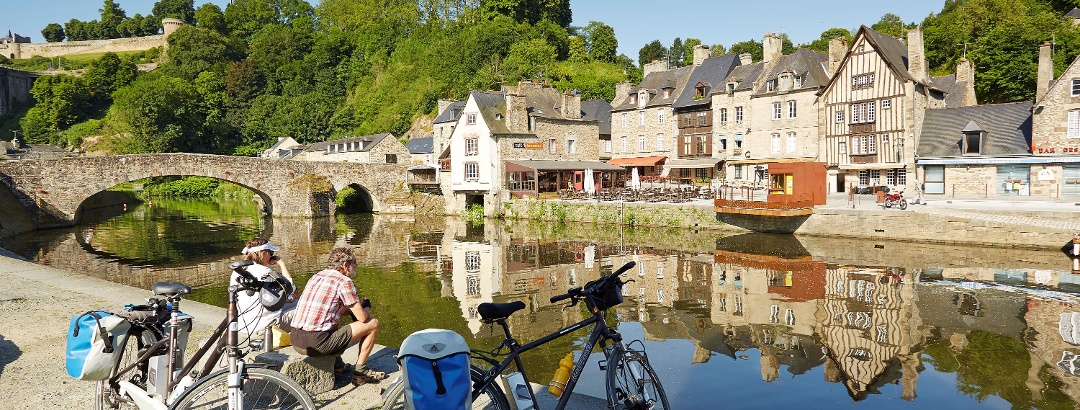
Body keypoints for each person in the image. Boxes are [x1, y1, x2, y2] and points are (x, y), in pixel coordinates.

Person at [290, 247, 384, 385]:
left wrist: (352, 310)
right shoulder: (344, 282)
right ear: (345, 265)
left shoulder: (317, 276)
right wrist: (366, 308)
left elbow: (329, 311)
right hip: (316, 343)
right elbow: (363, 318)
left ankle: (338, 366)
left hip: (296, 339)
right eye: (354, 264)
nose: (356, 267)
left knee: (332, 320)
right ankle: (361, 373)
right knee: (373, 324)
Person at [233, 238, 296, 337]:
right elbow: (291, 289)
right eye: (270, 253)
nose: (271, 256)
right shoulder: (265, 272)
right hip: (265, 326)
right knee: (306, 308)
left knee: (293, 302)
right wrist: (281, 264)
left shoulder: (238, 271)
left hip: (243, 327)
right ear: (263, 253)